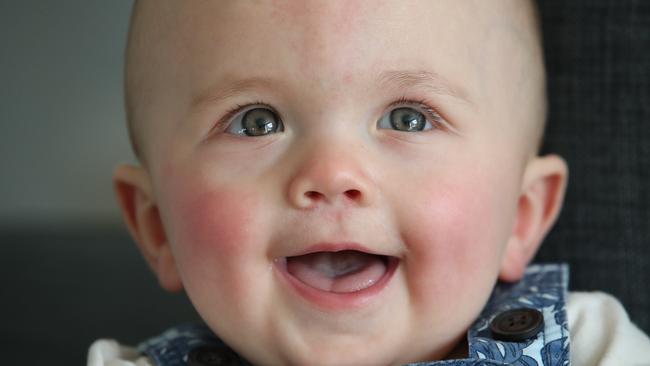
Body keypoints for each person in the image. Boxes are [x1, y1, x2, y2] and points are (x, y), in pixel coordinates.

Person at [88, 1, 650, 365]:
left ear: (521, 216)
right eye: (256, 122)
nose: (332, 174)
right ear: (156, 225)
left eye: (409, 118)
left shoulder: (592, 348)